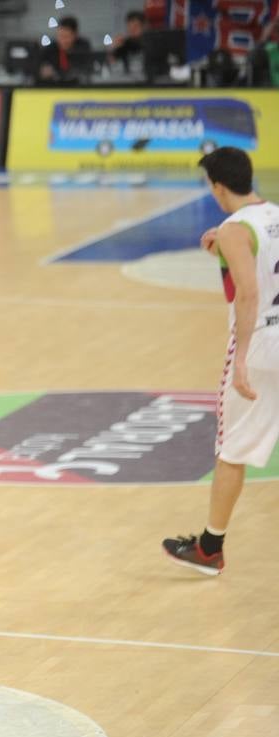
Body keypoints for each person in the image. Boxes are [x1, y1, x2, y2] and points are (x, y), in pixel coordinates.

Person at [164, 149, 279, 574]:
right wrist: (223, 251)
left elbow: (249, 292)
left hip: (264, 344)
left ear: (216, 187)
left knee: (232, 449)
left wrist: (244, 357)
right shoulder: (272, 215)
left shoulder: (234, 229)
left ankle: (210, 548)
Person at [38, 16, 91, 84]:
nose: (62, 40)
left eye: (66, 37)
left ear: (75, 35)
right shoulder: (50, 50)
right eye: (60, 36)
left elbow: (85, 70)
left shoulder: (83, 48)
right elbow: (40, 68)